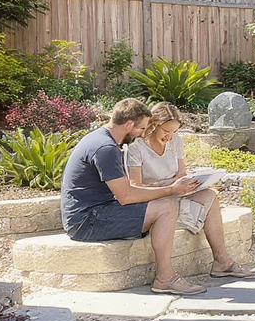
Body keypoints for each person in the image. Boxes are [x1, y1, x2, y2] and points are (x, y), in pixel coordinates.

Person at [60, 98, 205, 295]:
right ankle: (165, 278)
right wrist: (171, 190)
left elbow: (125, 191)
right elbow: (126, 196)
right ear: (129, 125)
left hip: (98, 211)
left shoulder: (102, 139)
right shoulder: (105, 148)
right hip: (86, 222)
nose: (143, 133)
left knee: (163, 204)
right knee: (166, 207)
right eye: (142, 128)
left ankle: (166, 277)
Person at [125, 102, 254, 279]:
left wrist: (192, 183)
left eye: (174, 132)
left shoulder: (176, 141)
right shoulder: (136, 147)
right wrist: (169, 188)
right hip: (154, 199)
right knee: (182, 203)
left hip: (176, 191)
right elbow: (136, 186)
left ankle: (221, 261)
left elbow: (181, 173)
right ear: (153, 125)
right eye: (166, 131)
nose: (170, 137)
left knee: (210, 196)